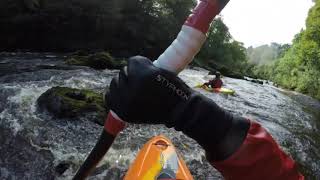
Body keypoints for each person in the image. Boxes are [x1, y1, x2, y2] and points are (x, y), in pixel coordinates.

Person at [106, 56, 304, 180]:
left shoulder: (214, 80)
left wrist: (192, 109)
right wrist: (215, 124)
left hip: (213, 93)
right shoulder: (219, 79)